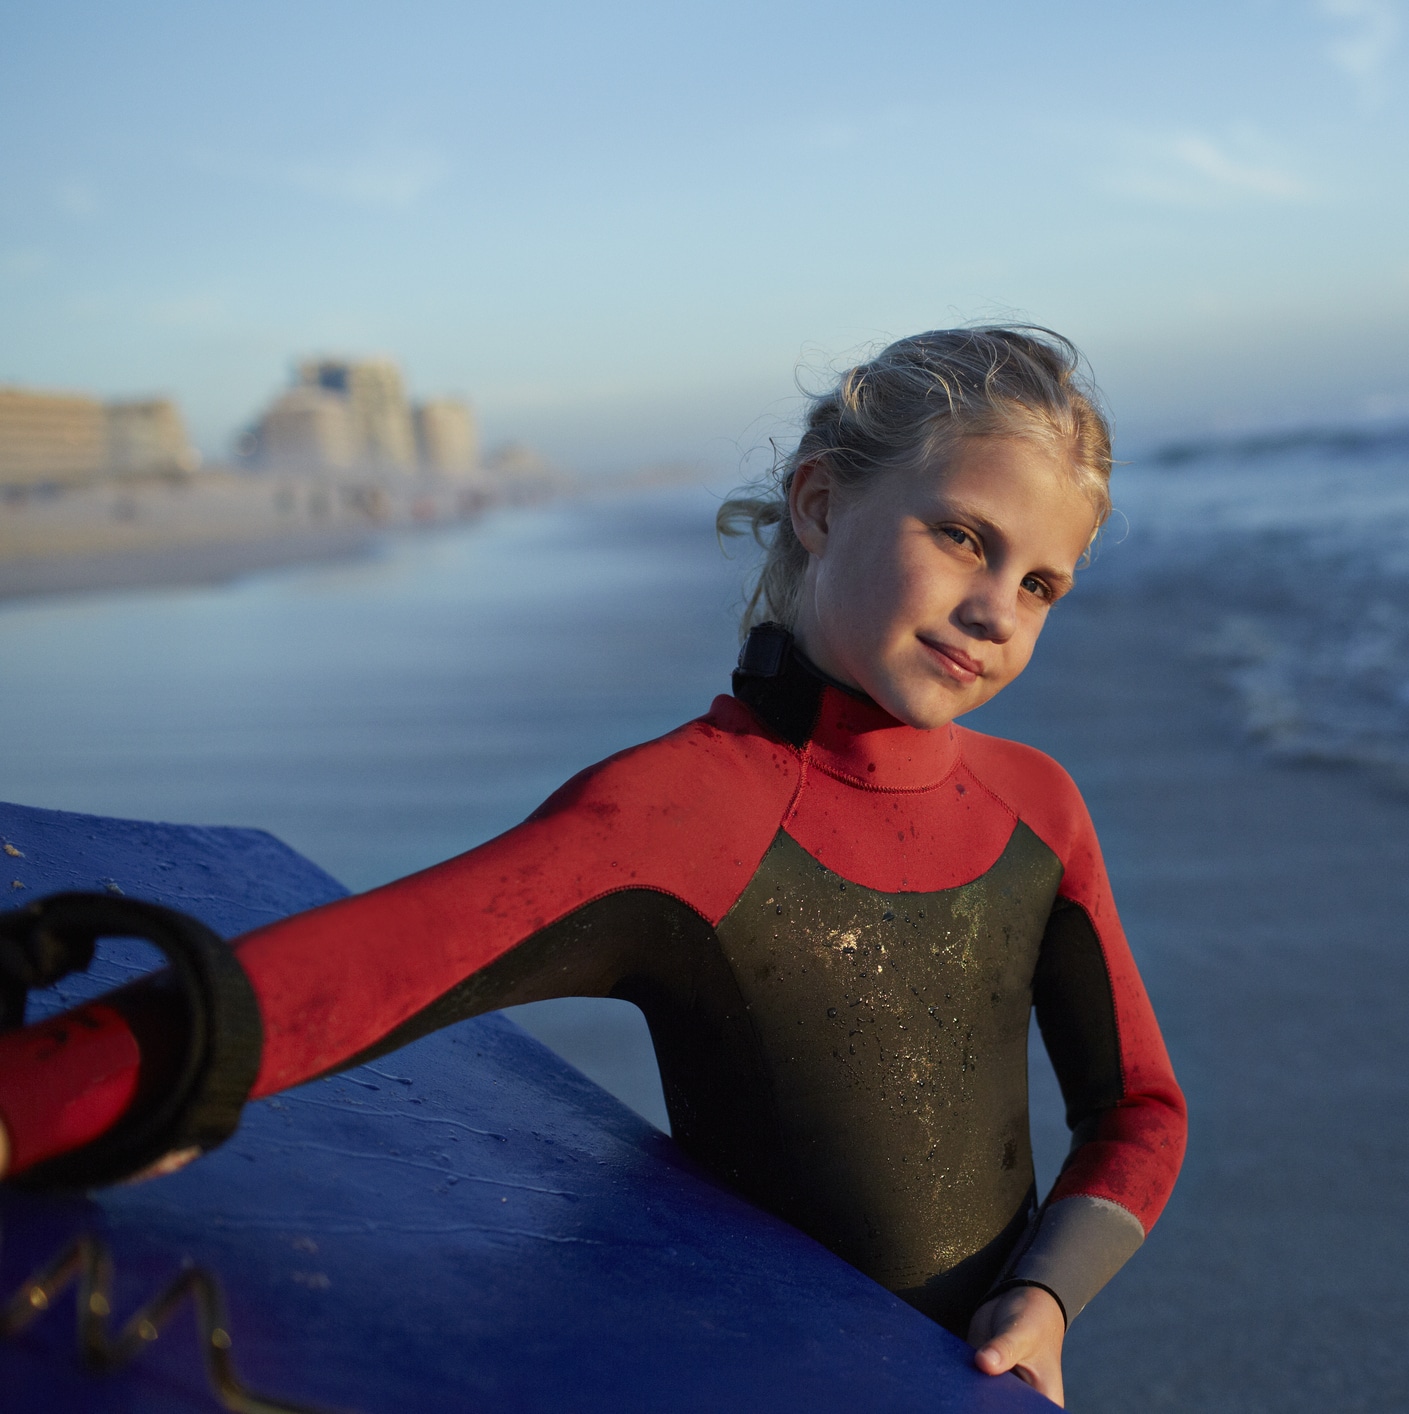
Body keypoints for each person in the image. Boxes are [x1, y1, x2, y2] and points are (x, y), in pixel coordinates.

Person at [0, 326, 1186, 1406]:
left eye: (1040, 585)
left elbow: (1139, 1106)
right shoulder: (683, 812)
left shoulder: (1038, 807)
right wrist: (45, 1097)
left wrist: (1046, 1297)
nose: (995, 611)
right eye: (963, 535)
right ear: (821, 505)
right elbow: (354, 972)